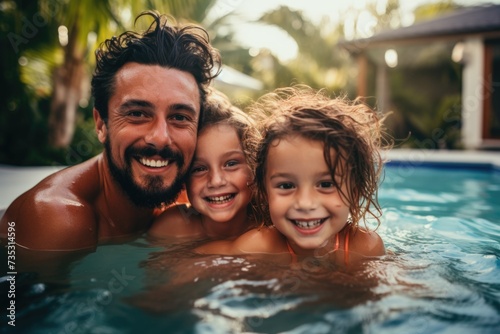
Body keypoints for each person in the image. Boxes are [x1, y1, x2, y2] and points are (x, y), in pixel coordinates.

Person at [0, 11, 221, 251]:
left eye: (179, 117)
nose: (160, 137)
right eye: (137, 113)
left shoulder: (193, 196)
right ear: (101, 125)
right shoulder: (60, 219)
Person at [196, 85, 389, 266]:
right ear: (264, 192)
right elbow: (195, 256)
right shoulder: (259, 246)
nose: (305, 203)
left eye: (325, 184)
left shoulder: (364, 248)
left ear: (354, 194)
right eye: (286, 186)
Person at [148, 89, 259, 241]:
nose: (216, 181)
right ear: (183, 181)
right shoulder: (172, 228)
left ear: (254, 167)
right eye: (199, 169)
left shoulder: (270, 231)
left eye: (231, 163)